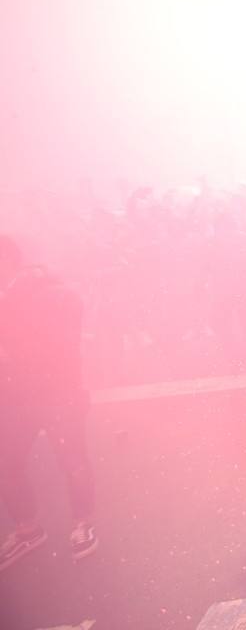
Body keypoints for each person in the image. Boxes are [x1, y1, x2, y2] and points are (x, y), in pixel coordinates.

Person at [0, 235, 97, 570]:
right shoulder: (12, 297)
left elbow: (62, 339)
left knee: (71, 460)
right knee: (8, 462)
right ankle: (28, 529)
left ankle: (83, 522)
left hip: (59, 392)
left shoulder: (48, 293)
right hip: (18, 395)